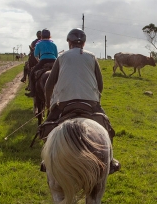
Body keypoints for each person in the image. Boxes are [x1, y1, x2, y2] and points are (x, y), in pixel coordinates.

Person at [39, 28, 119, 173]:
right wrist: (96, 97)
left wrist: (47, 104)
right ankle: (110, 161)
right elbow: (100, 85)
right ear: (84, 43)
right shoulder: (92, 57)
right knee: (106, 126)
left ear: (69, 42)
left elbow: (49, 84)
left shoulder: (61, 57)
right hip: (90, 102)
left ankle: (47, 159)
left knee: (47, 126)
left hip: (64, 103)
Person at [26, 28, 57, 97]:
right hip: (53, 61)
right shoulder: (53, 44)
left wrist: (39, 60)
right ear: (49, 36)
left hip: (43, 60)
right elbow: (56, 55)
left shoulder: (39, 44)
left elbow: (35, 55)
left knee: (32, 73)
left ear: (41, 36)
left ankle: (32, 92)